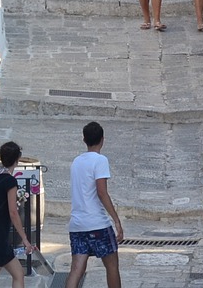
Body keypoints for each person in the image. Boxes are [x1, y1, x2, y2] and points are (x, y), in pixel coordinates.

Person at [65, 122, 124, 288]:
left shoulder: (76, 162)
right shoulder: (100, 160)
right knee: (112, 266)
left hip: (77, 224)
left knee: (76, 269)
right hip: (97, 223)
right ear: (102, 140)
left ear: (84, 140)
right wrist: (116, 220)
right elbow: (101, 192)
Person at [0, 140, 37, 288]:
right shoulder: (10, 181)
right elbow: (13, 212)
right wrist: (24, 238)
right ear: (17, 160)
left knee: (18, 274)